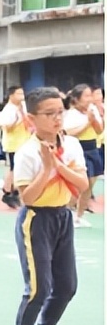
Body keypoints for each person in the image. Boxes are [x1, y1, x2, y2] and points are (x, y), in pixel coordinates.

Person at [6, 87, 87, 325]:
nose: (57, 118)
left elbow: (82, 184)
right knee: (39, 287)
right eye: (49, 113)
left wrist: (56, 165)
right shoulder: (27, 152)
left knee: (67, 285)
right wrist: (45, 168)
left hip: (62, 217)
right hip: (36, 220)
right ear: (32, 118)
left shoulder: (72, 145)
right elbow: (27, 198)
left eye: (60, 112)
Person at [62, 84, 103, 228]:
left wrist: (95, 119)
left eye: (91, 95)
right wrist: (88, 122)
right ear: (76, 99)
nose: (90, 99)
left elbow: (99, 130)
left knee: (89, 186)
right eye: (86, 96)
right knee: (79, 186)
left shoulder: (92, 110)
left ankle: (78, 217)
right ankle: (66, 214)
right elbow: (68, 132)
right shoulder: (71, 114)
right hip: (78, 149)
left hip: (93, 149)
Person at [0, 86, 30, 210]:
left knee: (19, 169)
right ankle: (7, 191)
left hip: (24, 142)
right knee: (13, 168)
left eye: (22, 93)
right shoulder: (8, 110)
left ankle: (14, 191)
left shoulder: (23, 107)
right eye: (18, 94)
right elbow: (7, 127)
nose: (21, 96)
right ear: (11, 95)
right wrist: (17, 119)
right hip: (13, 144)